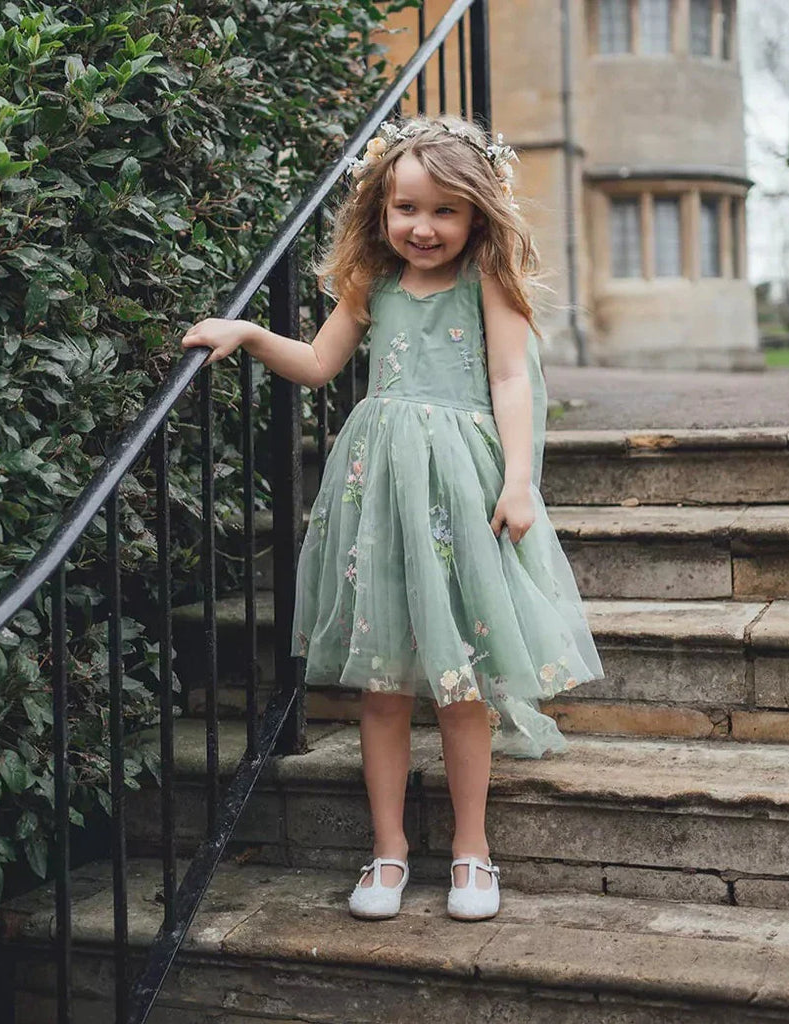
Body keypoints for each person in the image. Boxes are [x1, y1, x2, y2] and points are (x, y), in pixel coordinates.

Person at [181, 115, 603, 924]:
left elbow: (513, 382)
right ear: (381, 208)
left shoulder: (489, 281)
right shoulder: (370, 286)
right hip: (378, 493)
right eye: (408, 208)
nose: (424, 226)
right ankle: (388, 849)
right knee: (382, 687)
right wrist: (249, 332)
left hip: (461, 488)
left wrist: (520, 481)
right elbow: (316, 364)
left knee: (459, 682)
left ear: (479, 213)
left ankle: (473, 850)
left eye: (446, 210)